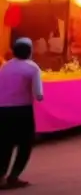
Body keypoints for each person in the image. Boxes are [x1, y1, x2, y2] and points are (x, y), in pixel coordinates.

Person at [0, 38, 44, 189]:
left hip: (3, 110)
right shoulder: (33, 68)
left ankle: (0, 176)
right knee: (25, 144)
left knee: (5, 144)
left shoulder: (5, 67)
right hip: (22, 110)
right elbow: (38, 94)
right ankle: (14, 176)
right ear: (30, 51)